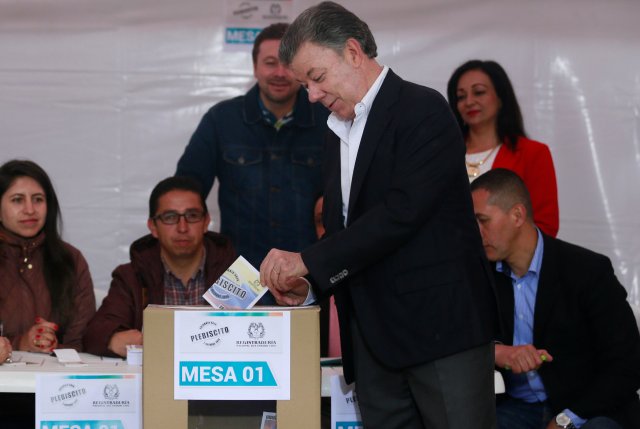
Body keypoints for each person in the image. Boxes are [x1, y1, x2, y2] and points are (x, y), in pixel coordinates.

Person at [259, 3, 498, 428]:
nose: (310, 95)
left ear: (353, 52)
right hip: (370, 342)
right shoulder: (336, 130)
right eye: (304, 84)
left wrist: (308, 262)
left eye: (316, 78)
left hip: (439, 333)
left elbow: (401, 214)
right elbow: (345, 231)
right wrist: (310, 282)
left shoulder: (422, 110)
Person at [470, 168, 640, 429]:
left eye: (483, 220)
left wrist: (567, 419)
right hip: (517, 409)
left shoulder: (587, 270)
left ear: (517, 215)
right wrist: (497, 352)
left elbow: (628, 363)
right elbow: (456, 339)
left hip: (587, 408)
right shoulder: (482, 275)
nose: (476, 232)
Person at [176, 22, 329, 268]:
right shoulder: (221, 120)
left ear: (302, 70)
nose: (280, 72)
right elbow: (186, 191)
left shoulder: (329, 121)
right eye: (270, 63)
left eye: (288, 64)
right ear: (254, 68)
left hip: (307, 273)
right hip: (238, 274)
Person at [84, 176, 236, 357]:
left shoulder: (233, 273)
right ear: (153, 227)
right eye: (170, 217)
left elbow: (261, 331)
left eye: (192, 216)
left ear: (206, 222)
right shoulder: (131, 275)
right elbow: (94, 333)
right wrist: (112, 339)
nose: (182, 227)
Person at [446, 59, 559, 237]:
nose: (469, 101)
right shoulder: (444, 153)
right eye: (461, 96)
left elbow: (546, 225)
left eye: (479, 92)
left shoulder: (533, 153)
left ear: (500, 98)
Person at [0, 159, 95, 353]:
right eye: (17, 200)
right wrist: (21, 343)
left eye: (38, 199)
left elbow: (84, 339)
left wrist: (54, 345)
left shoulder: (71, 259)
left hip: (56, 377)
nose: (30, 209)